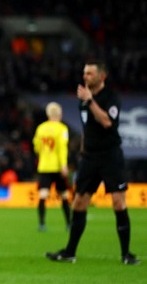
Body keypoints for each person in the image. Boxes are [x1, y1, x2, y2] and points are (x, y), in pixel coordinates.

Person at [46, 60, 140, 265]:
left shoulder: (110, 97)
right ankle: (70, 252)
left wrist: (90, 101)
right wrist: (82, 152)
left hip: (110, 155)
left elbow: (107, 122)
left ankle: (126, 254)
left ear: (101, 77)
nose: (85, 77)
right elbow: (87, 129)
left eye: (89, 74)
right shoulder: (83, 100)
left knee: (118, 202)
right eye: (84, 73)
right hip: (89, 157)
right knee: (79, 202)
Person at [32, 101, 71, 232]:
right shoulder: (62, 129)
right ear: (59, 113)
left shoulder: (41, 128)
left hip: (44, 166)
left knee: (43, 194)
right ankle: (68, 224)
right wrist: (64, 165)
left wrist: (43, 155)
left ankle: (42, 224)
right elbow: (62, 148)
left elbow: (36, 146)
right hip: (57, 167)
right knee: (64, 195)